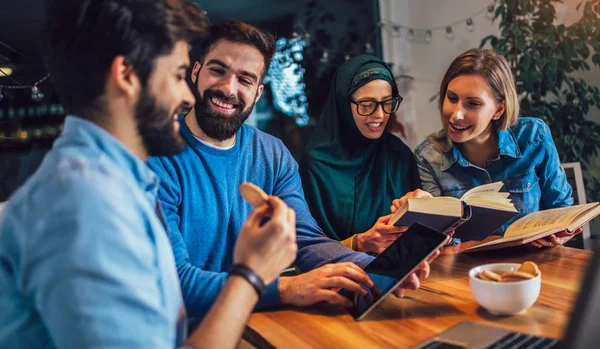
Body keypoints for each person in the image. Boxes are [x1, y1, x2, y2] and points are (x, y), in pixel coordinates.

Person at [0, 1, 297, 349]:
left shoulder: (118, 183)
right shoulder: (86, 205)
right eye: (177, 75)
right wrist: (250, 275)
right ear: (126, 75)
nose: (187, 96)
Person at [147, 21, 431, 319]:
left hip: (258, 321)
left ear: (258, 93)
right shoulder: (158, 154)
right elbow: (175, 281)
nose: (229, 88)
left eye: (245, 79)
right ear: (195, 73)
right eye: (218, 70)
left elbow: (306, 240)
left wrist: (373, 269)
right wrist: (286, 288)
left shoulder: (272, 154)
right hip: (190, 335)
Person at [414, 48, 581, 247]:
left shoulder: (534, 136)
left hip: (536, 266)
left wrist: (560, 232)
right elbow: (438, 239)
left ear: (498, 109)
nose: (456, 114)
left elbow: (561, 208)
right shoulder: (428, 157)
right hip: (467, 272)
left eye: (473, 104)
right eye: (452, 98)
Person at [299, 55, 431, 254]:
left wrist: (425, 210)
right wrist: (360, 242)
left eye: (387, 103)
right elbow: (306, 250)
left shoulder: (398, 155)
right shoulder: (317, 163)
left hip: (401, 272)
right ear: (344, 104)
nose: (379, 115)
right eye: (367, 104)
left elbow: (418, 235)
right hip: (334, 277)